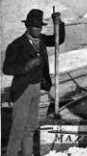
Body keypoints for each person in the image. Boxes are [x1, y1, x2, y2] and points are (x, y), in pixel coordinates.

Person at [3, 9, 65, 156]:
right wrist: (26, 66)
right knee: (18, 130)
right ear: (28, 26)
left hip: (37, 88)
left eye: (40, 26)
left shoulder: (42, 39)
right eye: (35, 26)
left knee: (30, 128)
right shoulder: (17, 45)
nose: (38, 29)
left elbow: (58, 39)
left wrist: (59, 23)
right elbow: (7, 68)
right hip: (22, 90)